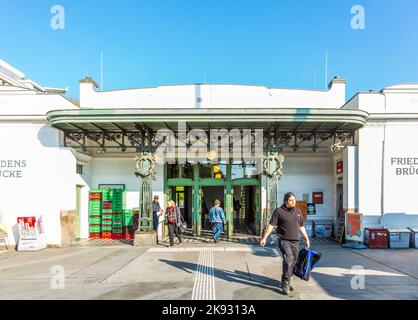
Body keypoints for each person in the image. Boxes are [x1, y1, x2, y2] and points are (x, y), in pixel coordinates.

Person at [259, 192, 310, 296]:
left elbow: (301, 227)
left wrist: (307, 238)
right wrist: (264, 238)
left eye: (294, 200)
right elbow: (271, 226)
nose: (293, 202)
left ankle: (287, 278)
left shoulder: (298, 211)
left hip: (295, 241)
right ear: (286, 201)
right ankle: (285, 283)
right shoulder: (279, 211)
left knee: (293, 261)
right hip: (284, 240)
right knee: (289, 259)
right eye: (291, 200)